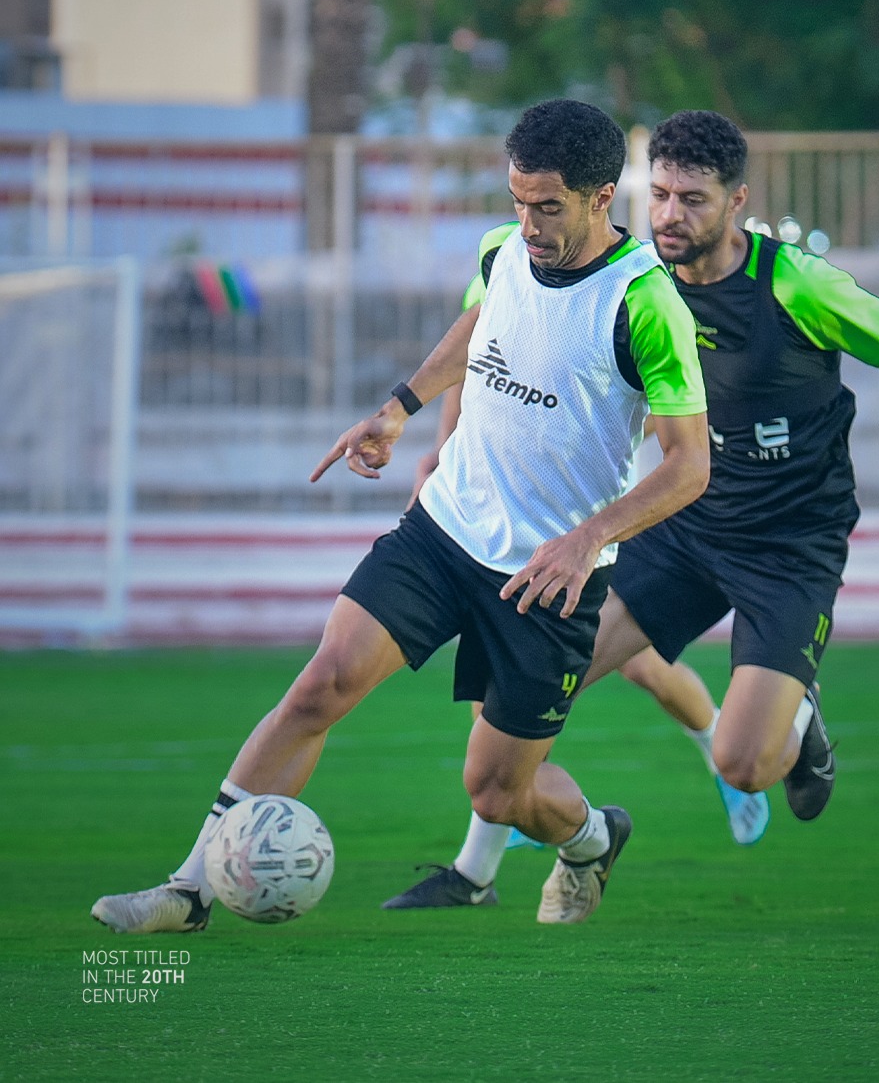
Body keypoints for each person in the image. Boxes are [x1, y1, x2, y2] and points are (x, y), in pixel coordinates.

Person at [387, 108, 879, 910]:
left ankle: (797, 716)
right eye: (660, 196)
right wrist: (442, 440)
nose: (670, 215)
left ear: (737, 202)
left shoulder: (796, 285)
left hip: (789, 547)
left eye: (694, 200)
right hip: (679, 530)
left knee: (743, 765)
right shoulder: (627, 279)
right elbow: (493, 333)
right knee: (516, 689)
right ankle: (475, 875)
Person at [91, 98, 710, 932]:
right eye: (517, 201)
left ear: (602, 198)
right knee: (321, 685)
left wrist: (588, 539)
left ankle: (593, 838)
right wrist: (399, 409)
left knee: (498, 792)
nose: (527, 223)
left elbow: (689, 466)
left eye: (547, 207)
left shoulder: (646, 302)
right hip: (443, 532)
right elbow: (480, 322)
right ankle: (189, 890)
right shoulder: (504, 249)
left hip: (546, 579)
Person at [407, 357, 769, 852]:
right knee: (503, 656)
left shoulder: (627, 312)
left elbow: (663, 414)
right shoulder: (502, 306)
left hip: (586, 520)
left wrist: (584, 433)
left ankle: (716, 752)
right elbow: (470, 364)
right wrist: (445, 449)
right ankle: (494, 829)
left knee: (635, 665)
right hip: (503, 512)